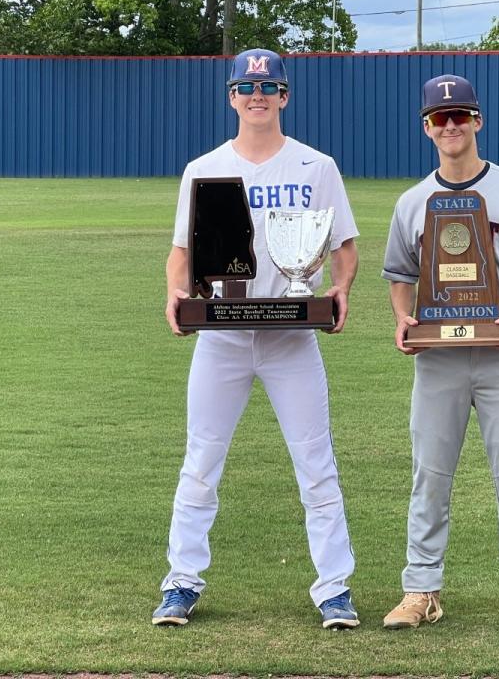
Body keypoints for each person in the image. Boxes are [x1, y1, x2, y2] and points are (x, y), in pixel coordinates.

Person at [153, 48, 360, 630]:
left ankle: (334, 588)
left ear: (285, 96)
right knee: (201, 460)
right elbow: (182, 251)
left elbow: (344, 247)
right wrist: (176, 294)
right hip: (221, 335)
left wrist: (339, 289)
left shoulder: (316, 166)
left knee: (316, 462)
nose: (257, 96)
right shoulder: (205, 167)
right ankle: (182, 581)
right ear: (231, 96)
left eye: (268, 88)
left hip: (292, 337)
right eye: (245, 87)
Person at [380, 74, 499, 636]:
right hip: (437, 358)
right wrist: (402, 318)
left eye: (460, 114)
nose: (451, 125)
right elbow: (398, 274)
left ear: (478, 121)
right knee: (429, 475)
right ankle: (421, 590)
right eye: (440, 118)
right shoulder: (413, 202)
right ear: (426, 128)